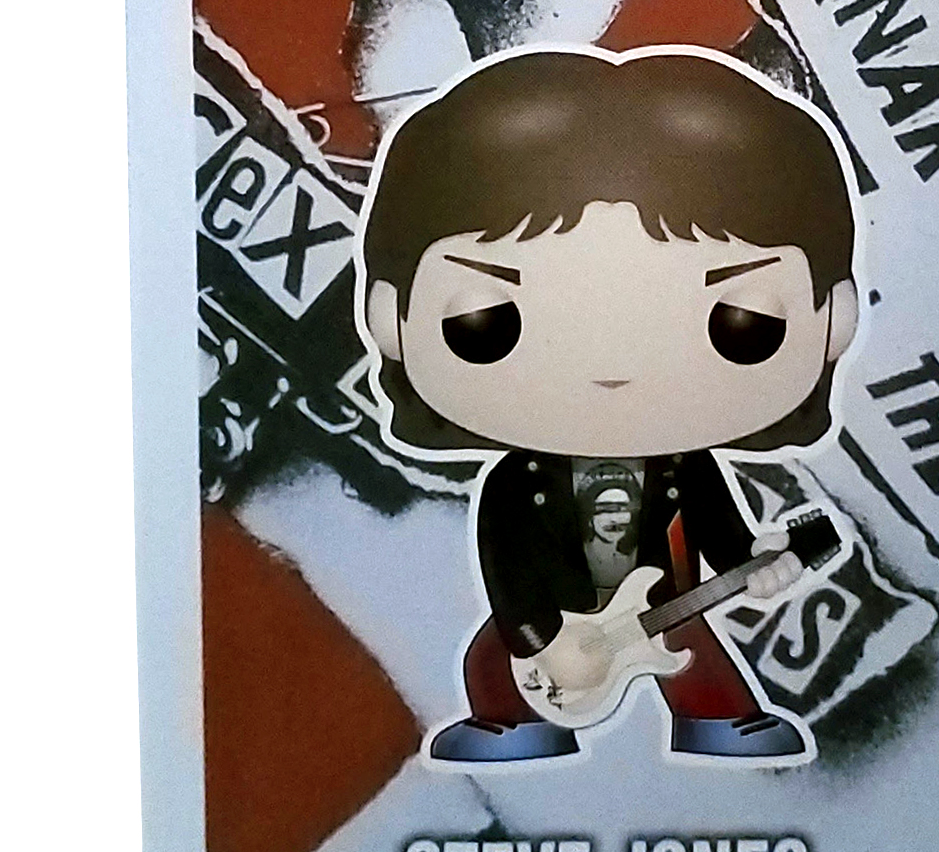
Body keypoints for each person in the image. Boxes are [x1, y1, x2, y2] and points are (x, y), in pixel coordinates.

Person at [357, 45, 860, 764]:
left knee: (693, 652)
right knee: (495, 659)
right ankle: (510, 722)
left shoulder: (689, 468)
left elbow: (722, 533)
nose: (613, 371)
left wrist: (757, 561)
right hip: (551, 616)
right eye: (486, 322)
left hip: (662, 610)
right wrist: (541, 637)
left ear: (832, 321)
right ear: (391, 320)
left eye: (744, 324)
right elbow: (509, 569)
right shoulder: (516, 483)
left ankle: (721, 724)